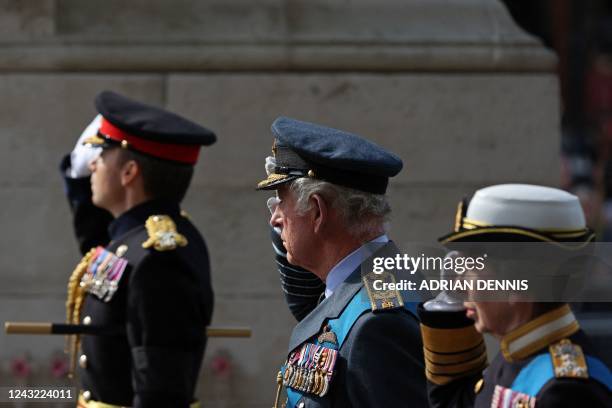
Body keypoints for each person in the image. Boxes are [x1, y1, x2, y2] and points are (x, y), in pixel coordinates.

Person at [257, 116, 427, 408]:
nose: (275, 218)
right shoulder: (358, 290)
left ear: (317, 211)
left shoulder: (378, 324)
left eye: (280, 201)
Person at [59, 90, 216, 408]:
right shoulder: (129, 240)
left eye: (101, 156)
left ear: (129, 173)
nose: (92, 165)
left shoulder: (160, 256)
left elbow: (161, 390)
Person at [418, 184, 612, 407]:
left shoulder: (566, 392)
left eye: (470, 269)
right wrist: (447, 309)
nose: (460, 285)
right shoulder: (516, 356)